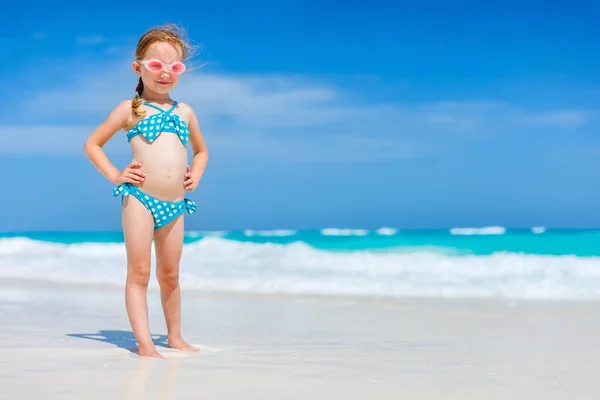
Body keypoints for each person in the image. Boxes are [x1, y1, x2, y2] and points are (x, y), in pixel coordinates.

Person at [83, 24, 209, 359]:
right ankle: (145, 344)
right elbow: (93, 144)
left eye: (174, 67)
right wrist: (115, 175)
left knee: (170, 275)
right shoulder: (130, 108)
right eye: (156, 65)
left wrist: (195, 174)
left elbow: (201, 151)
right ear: (138, 68)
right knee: (139, 273)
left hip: (175, 203)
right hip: (139, 198)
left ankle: (175, 337)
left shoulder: (185, 111)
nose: (165, 73)